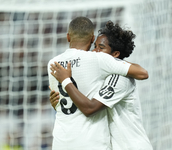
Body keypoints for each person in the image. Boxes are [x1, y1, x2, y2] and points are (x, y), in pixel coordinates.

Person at [49, 21, 153, 150]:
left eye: (101, 48)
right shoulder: (100, 73)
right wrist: (60, 103)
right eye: (95, 46)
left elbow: (90, 108)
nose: (94, 51)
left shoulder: (119, 78)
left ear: (115, 55)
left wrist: (66, 81)